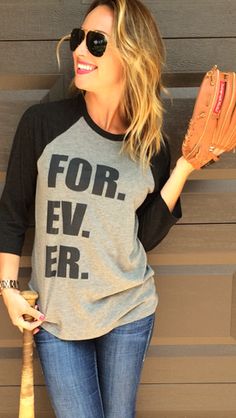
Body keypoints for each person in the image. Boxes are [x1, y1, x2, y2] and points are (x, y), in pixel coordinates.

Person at [0, 1, 224, 417]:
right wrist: (9, 290)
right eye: (78, 37)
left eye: (97, 42)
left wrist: (185, 168)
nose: (80, 51)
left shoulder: (150, 145)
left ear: (132, 56)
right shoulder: (43, 124)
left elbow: (143, 237)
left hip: (128, 311)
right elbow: (12, 212)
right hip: (58, 317)